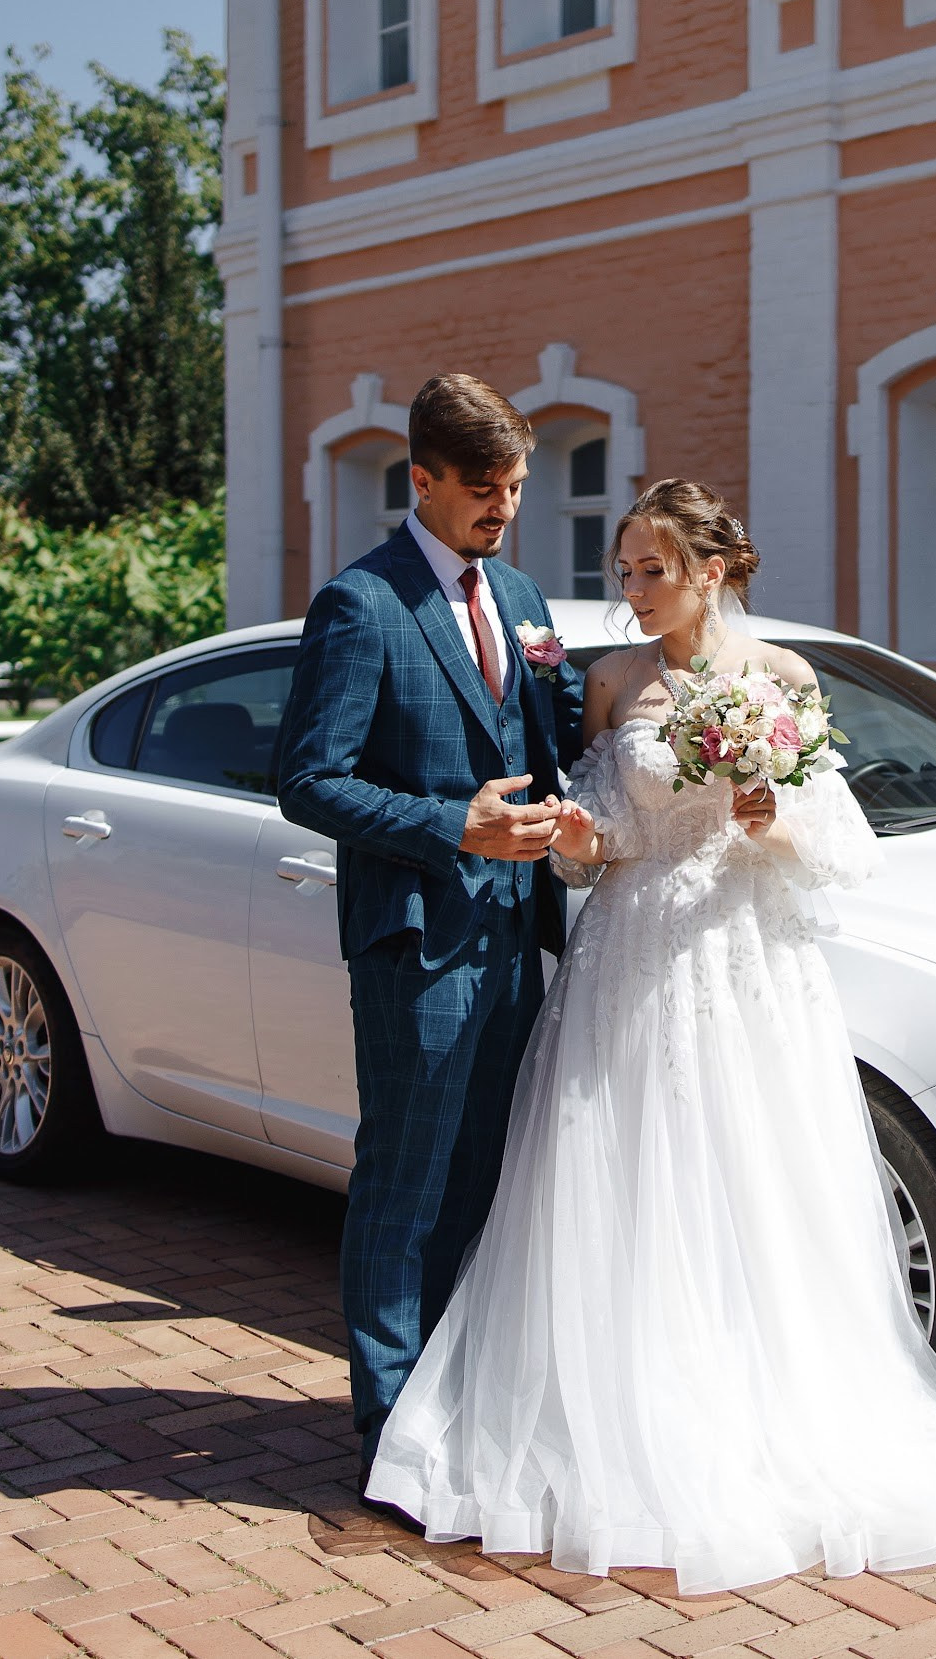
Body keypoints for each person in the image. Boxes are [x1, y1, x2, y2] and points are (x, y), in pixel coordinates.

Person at [365, 479, 936, 1593]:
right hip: (633, 956)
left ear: (712, 568)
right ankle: (619, 1427)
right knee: (624, 1183)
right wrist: (574, 830)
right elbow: (595, 842)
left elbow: (844, 843)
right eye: (623, 570)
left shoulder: (785, 680)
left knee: (753, 1183)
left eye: (651, 567)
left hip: (750, 963)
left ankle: (767, 1424)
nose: (633, 590)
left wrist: (777, 814)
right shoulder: (609, 684)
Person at [273, 373, 587, 1512]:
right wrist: (453, 822)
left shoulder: (521, 592)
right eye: (483, 490)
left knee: (482, 1185)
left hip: (515, 937)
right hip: (415, 939)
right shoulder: (361, 604)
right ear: (423, 480)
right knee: (403, 1184)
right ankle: (392, 1426)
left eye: (514, 489)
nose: (502, 510)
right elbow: (307, 781)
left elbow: (542, 737)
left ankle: (458, 1407)